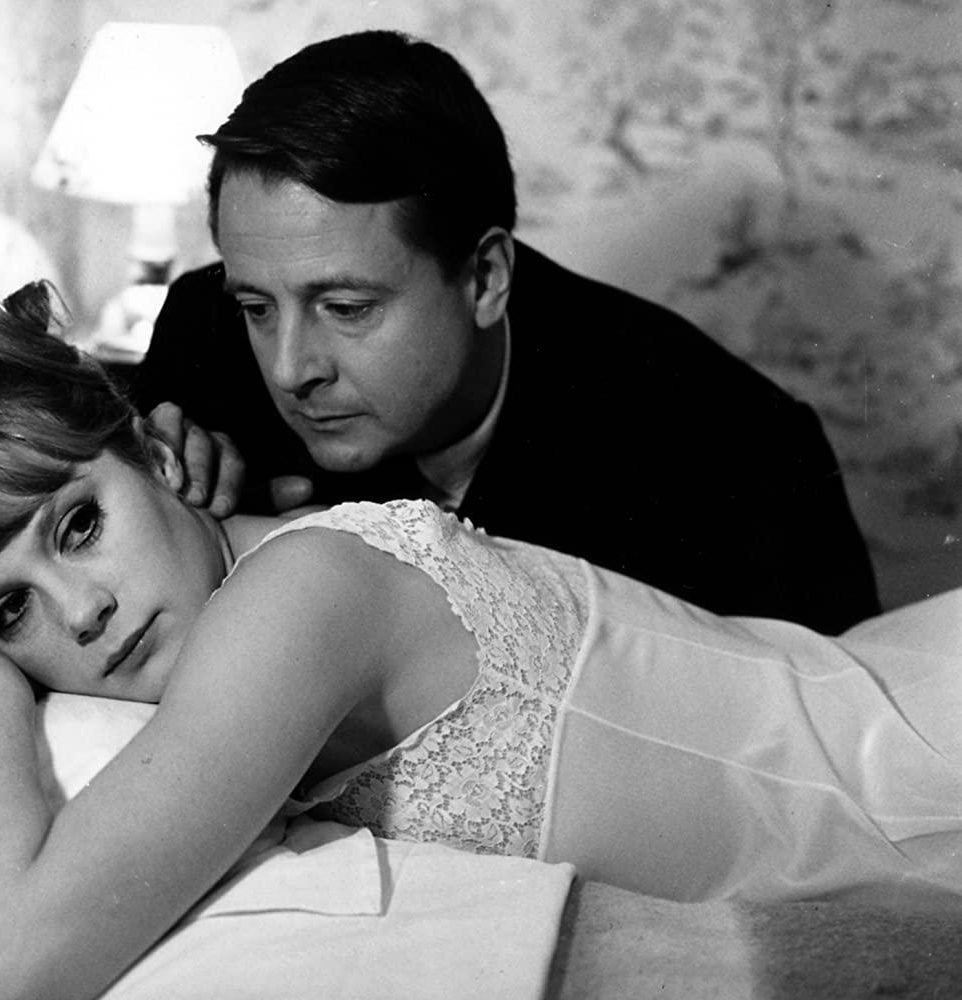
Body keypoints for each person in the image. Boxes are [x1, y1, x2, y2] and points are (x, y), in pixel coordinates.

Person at [0, 273, 961, 1000]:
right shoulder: (263, 575)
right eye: (8, 608)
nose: (80, 612)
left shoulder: (296, 598)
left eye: (76, 526)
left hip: (899, 784)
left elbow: (3, 967)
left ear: (154, 453)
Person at [131, 29, 880, 635]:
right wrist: (163, 499)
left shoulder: (740, 453)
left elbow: (823, 747)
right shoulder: (204, 335)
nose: (290, 369)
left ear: (485, 278)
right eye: (258, 308)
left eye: (347, 308)